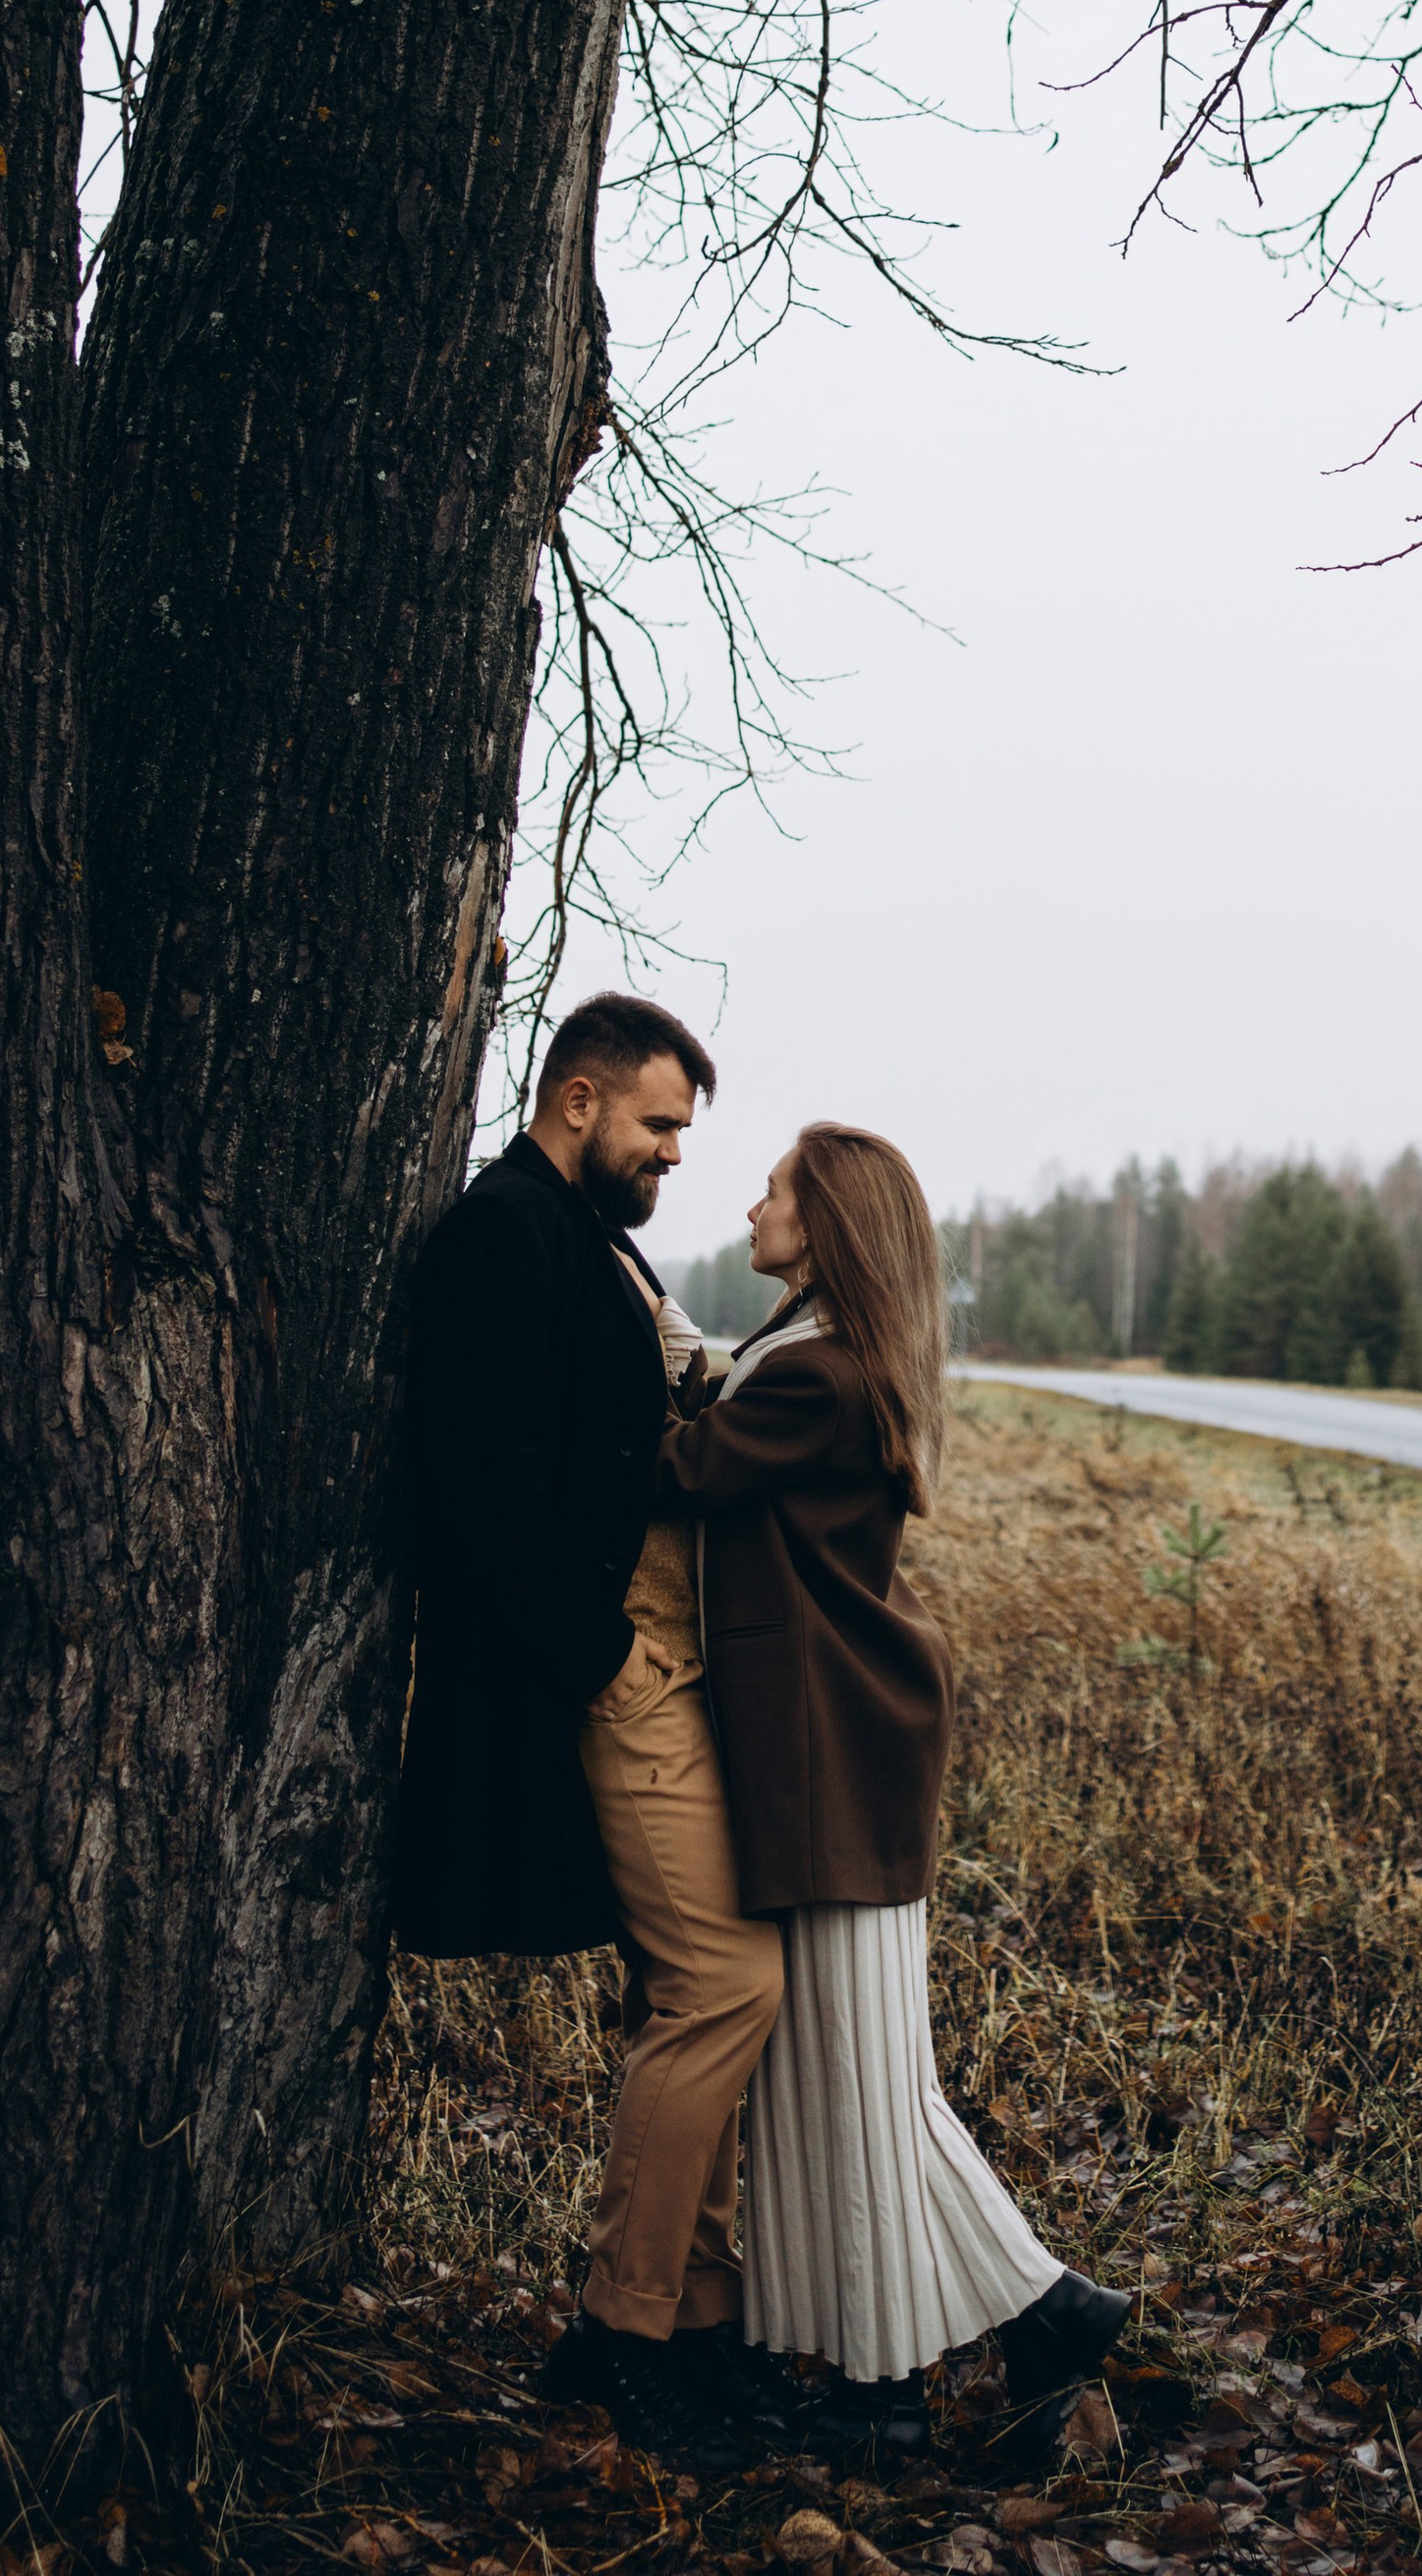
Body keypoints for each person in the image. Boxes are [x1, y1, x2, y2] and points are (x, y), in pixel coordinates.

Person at [654, 1121, 1130, 2460]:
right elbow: (719, 1386)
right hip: (823, 1749)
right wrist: (654, 1315)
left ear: (830, 1226)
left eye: (775, 1192)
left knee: (863, 2085)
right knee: (831, 2079)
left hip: (833, 1756)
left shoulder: (821, 1380)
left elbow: (684, 1465)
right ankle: (1012, 2325)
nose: (752, 1206)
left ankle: (910, 2379)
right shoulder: (812, 1361)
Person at [394, 992, 788, 2467]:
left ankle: (696, 2319)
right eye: (660, 1124)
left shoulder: (590, 1242)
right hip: (607, 1675)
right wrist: (604, 1658)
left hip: (650, 1670)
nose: (676, 1155)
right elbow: (471, 1482)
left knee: (708, 1991)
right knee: (721, 1987)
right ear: (578, 1101)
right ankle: (627, 2332)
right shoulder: (505, 1235)